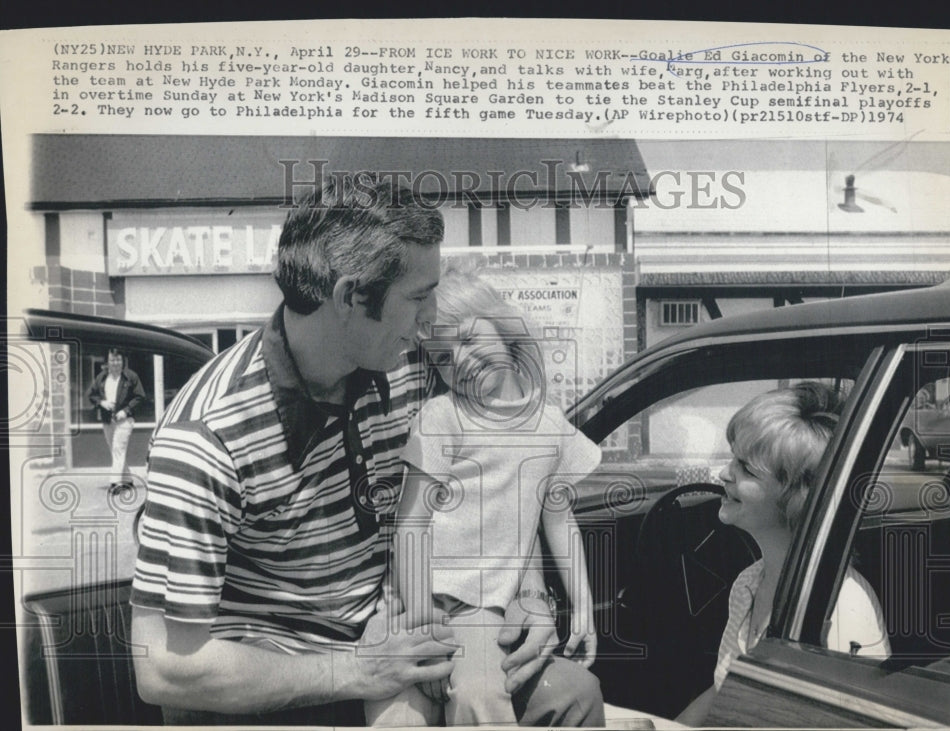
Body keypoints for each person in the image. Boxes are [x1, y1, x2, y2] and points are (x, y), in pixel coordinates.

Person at [130, 173, 603, 726]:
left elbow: (505, 478)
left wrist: (530, 594)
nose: (432, 323)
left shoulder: (407, 363)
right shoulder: (207, 438)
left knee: (572, 692)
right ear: (351, 297)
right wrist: (350, 670)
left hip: (400, 636)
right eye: (419, 298)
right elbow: (162, 667)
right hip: (272, 688)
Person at [365, 268, 603, 727]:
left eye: (470, 341)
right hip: (426, 598)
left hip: (483, 608)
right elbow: (411, 523)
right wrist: (421, 623)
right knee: (441, 707)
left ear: (504, 327)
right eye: (445, 358)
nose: (463, 361)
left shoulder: (550, 427)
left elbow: (556, 518)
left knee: (482, 696)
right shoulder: (442, 418)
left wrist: (584, 606)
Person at [676, 382, 891, 727]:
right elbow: (724, 689)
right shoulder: (747, 584)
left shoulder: (842, 610)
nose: (724, 473)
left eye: (746, 469)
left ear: (795, 498)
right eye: (734, 458)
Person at [87, 348, 145, 493]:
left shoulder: (131, 377)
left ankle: (115, 483)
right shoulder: (102, 377)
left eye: (118, 360)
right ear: (108, 361)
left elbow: (140, 397)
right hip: (108, 420)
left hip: (125, 420)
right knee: (116, 451)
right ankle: (128, 480)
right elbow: (91, 395)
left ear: (123, 361)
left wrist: (125, 411)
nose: (115, 363)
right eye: (112, 360)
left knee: (118, 449)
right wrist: (102, 403)